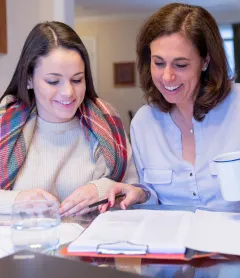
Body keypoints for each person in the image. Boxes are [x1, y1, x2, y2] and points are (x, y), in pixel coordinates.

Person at [100, 3, 240, 213]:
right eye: (159, 63)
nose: (167, 76)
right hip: (175, 242)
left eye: (181, 65)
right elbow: (152, 196)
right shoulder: (143, 122)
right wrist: (139, 194)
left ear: (205, 61)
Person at [0, 21, 148, 215]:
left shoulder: (108, 122)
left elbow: (137, 192)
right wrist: (16, 200)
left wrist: (103, 188)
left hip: (92, 242)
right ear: (28, 79)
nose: (68, 93)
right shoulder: (4, 124)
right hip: (25, 243)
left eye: (77, 79)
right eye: (53, 81)